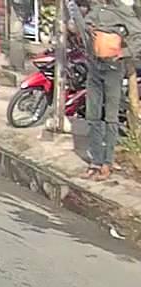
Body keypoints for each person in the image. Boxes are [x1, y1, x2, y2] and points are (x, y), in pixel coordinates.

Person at [81, 0, 141, 180]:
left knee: (111, 117)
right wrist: (89, 29)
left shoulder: (123, 11)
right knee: (92, 115)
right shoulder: (97, 7)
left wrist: (125, 53)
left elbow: (138, 35)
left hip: (113, 67)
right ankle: (95, 161)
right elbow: (86, 23)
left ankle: (107, 162)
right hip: (94, 65)